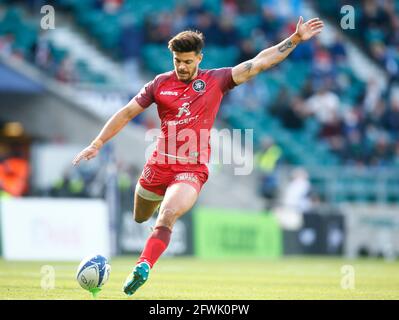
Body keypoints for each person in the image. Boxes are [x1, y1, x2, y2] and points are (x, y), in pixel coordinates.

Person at [72, 16, 324, 296]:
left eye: (188, 61)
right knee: (140, 217)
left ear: (199, 58)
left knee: (167, 215)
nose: (181, 66)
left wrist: (295, 39)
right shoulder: (159, 84)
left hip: (191, 168)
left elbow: (259, 63)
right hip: (159, 163)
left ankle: (143, 266)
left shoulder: (216, 80)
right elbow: (127, 112)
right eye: (177, 61)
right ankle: (151, 233)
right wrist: (97, 143)